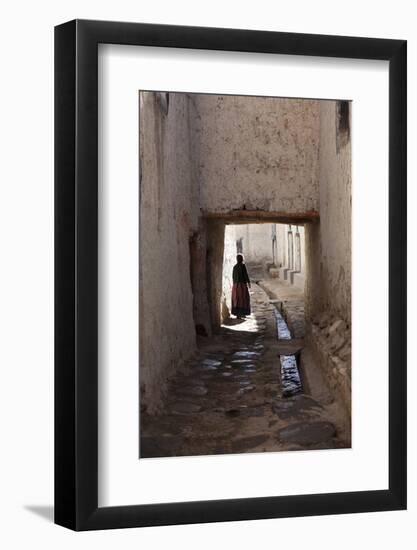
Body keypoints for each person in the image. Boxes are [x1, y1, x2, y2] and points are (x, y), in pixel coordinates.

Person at [231, 254, 251, 319]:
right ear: (242, 259)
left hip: (236, 286)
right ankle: (242, 313)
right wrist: (248, 282)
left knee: (237, 299)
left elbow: (233, 277)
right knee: (243, 299)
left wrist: (234, 285)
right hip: (242, 286)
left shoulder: (234, 267)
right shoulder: (243, 266)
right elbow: (245, 275)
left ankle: (238, 314)